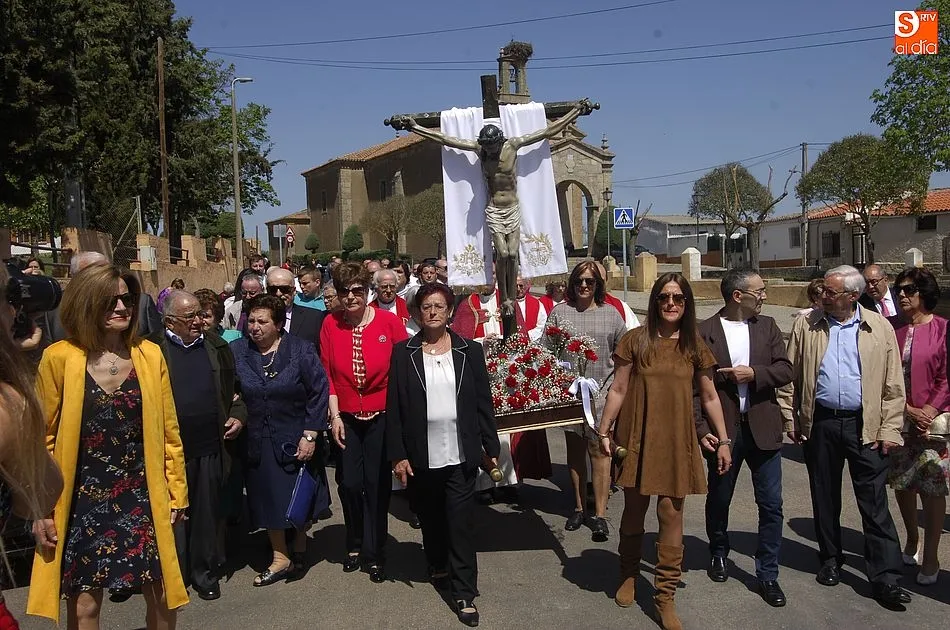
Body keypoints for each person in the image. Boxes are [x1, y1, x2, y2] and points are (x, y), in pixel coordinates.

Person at [28, 264, 189, 628]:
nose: (122, 307)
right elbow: (40, 440)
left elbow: (169, 432)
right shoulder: (59, 357)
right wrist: (40, 507)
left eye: (127, 298)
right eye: (110, 300)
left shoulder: (148, 354)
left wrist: (178, 492)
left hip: (144, 493)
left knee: (164, 596)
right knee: (84, 605)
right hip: (82, 498)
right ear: (86, 304)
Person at [596, 272, 731, 628]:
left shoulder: (694, 345)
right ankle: (628, 574)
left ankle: (664, 594)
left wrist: (724, 439)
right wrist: (604, 429)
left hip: (676, 440)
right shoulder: (635, 341)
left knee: (671, 514)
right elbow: (619, 389)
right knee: (633, 511)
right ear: (656, 302)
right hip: (637, 437)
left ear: (686, 305)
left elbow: (710, 395)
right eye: (664, 297)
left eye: (678, 298)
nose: (670, 304)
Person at [778, 265, 910, 610]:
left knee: (874, 503)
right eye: (823, 290)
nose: (823, 295)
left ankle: (885, 578)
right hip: (821, 423)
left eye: (831, 292)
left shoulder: (879, 327)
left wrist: (890, 428)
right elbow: (789, 374)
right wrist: (791, 417)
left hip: (864, 426)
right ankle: (830, 560)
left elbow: (894, 386)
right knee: (825, 496)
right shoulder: (806, 325)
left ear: (853, 296)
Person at [393, 99, 595, 319]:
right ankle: (506, 298)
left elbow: (547, 131)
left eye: (493, 147)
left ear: (500, 141)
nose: (490, 151)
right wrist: (415, 127)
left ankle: (509, 296)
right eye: (487, 147)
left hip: (513, 208)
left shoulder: (513, 145)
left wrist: (574, 112)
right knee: (504, 253)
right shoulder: (481, 150)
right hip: (494, 210)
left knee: (512, 256)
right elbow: (447, 139)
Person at [387, 282, 501, 627]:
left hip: (460, 451)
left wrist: (490, 447)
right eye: (426, 306)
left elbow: (483, 402)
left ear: (450, 311)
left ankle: (464, 591)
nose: (433, 312)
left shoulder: (469, 350)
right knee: (432, 517)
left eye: (439, 306)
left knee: (460, 523)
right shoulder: (403, 352)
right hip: (421, 454)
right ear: (417, 313)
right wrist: (398, 454)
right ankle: (436, 563)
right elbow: (395, 408)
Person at [695, 270, 793, 607]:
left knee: (771, 505)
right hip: (724, 434)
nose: (764, 296)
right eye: (760, 291)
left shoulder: (767, 327)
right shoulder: (703, 331)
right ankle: (718, 550)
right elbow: (693, 390)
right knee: (720, 498)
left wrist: (754, 374)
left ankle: (768, 573)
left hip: (763, 429)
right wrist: (702, 430)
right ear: (738, 296)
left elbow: (785, 369)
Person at [231, 295, 330, 587]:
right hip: (258, 441)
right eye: (251, 321)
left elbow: (318, 391)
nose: (255, 327)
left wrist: (311, 434)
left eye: (262, 321)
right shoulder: (237, 351)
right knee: (268, 500)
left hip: (295, 437)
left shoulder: (300, 350)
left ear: (277, 324)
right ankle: (280, 556)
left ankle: (300, 542)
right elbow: (231, 391)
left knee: (299, 497)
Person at [320, 263, 408, 582]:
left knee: (376, 485)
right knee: (350, 483)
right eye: (345, 291)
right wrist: (334, 416)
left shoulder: (389, 321)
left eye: (358, 290)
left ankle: (374, 550)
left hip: (381, 416)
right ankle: (353, 541)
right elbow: (327, 374)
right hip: (346, 417)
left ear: (368, 292)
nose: (351, 297)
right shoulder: (330, 324)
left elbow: (401, 372)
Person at [160, 291, 246, 601]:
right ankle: (173, 575)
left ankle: (204, 574)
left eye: (200, 314)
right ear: (170, 321)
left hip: (210, 445)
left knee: (206, 516)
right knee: (171, 517)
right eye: (190, 317)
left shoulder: (217, 346)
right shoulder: (151, 349)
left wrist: (238, 416)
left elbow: (235, 392)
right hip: (168, 453)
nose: (199, 321)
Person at [542, 261, 627, 543]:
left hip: (601, 395)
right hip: (570, 396)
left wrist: (615, 389)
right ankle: (579, 507)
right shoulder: (559, 313)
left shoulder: (611, 315)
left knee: (600, 452)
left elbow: (622, 355)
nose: (584, 286)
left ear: (598, 285)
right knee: (575, 453)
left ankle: (600, 514)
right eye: (579, 281)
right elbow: (547, 352)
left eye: (590, 281)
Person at [0, 264, 64, 628]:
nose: (14, 309)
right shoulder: (10, 407)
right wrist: (15, 364)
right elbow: (43, 488)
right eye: (8, 297)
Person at [887, 267, 948, 585]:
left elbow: (947, 376)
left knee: (933, 487)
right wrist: (907, 409)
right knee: (903, 482)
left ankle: (932, 554)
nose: (901, 295)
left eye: (908, 289)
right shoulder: (891, 328)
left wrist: (928, 409)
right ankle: (911, 538)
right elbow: (882, 375)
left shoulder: (943, 329)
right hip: (899, 418)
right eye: (898, 289)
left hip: (931, 423)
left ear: (924, 293)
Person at [38, 251, 164, 346]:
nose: (120, 308)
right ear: (75, 278)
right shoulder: (53, 309)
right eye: (95, 273)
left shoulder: (141, 304)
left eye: (107, 271)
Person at [267, 268, 327, 355]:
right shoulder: (254, 320)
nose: (278, 294)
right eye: (273, 289)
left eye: (284, 289)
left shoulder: (314, 318)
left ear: (294, 291)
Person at [371, 268, 419, 337]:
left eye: (392, 286)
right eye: (384, 287)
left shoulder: (407, 306)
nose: (388, 290)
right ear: (376, 287)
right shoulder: (370, 309)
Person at [514, 276, 546, 342]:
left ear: (526, 286)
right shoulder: (504, 303)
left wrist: (526, 336)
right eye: (515, 286)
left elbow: (542, 325)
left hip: (531, 341)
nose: (518, 289)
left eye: (521, 286)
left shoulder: (536, 304)